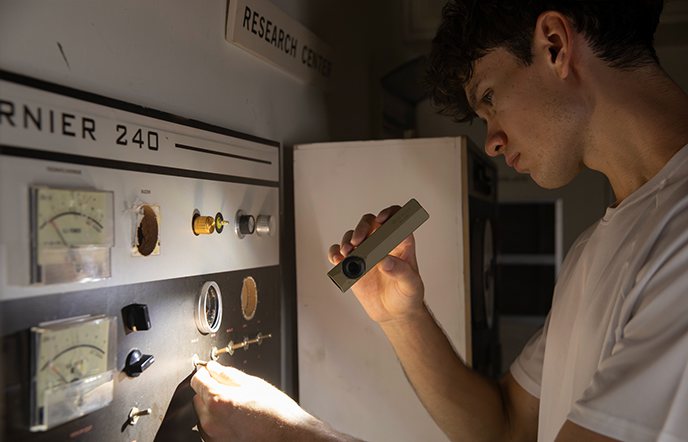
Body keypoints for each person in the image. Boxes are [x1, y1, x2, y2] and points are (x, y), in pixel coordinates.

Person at [191, 0, 688, 440]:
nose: (492, 141)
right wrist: (402, 316)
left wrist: (289, 435)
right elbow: (505, 425)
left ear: (555, 44)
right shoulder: (599, 245)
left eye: (489, 98)